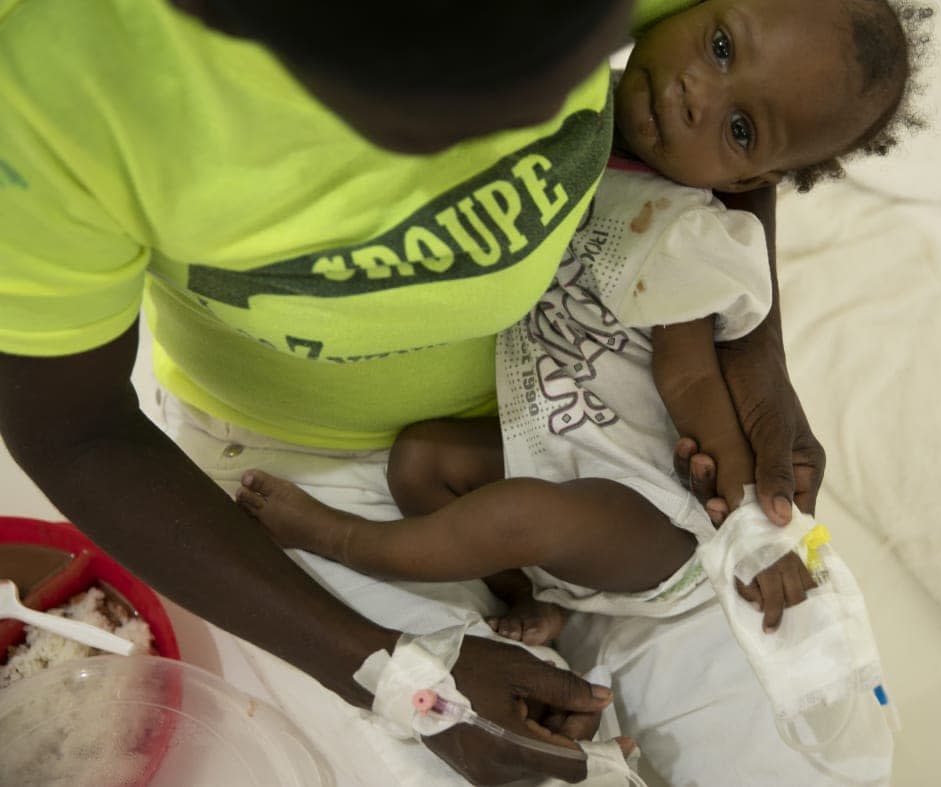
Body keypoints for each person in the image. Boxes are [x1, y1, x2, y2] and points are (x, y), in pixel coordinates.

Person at [0, 0, 836, 782]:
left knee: (809, 735)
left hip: (582, 389)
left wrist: (756, 348)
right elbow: (74, 429)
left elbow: (770, 99)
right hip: (299, 463)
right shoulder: (51, 75)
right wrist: (383, 667)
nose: (504, 150)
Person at [234, 0, 913, 652]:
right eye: (720, 46)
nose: (696, 95)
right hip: (553, 441)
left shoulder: (682, 231)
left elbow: (689, 375)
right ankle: (523, 595)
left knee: (525, 515)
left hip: (650, 509)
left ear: (753, 176)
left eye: (739, 130)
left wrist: (753, 526)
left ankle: (341, 541)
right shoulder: (577, 110)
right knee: (419, 462)